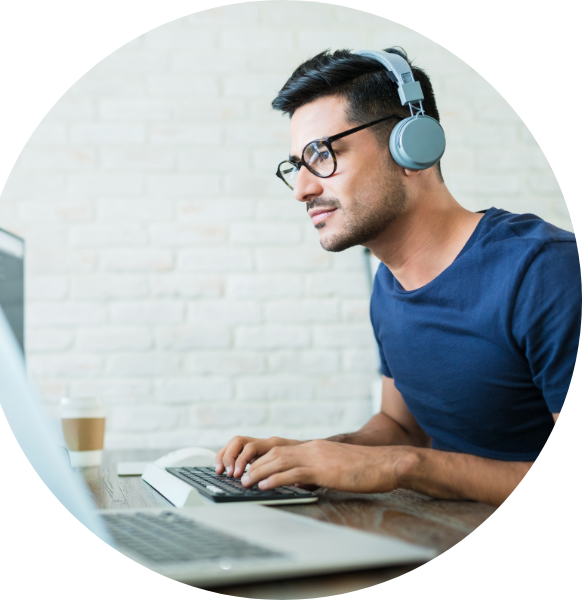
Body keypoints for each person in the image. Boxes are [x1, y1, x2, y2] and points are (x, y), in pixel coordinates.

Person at [215, 48, 580, 507]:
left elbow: (405, 452)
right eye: (297, 166)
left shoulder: (546, 271)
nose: (303, 189)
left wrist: (401, 466)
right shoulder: (387, 284)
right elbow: (401, 428)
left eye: (322, 155)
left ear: (413, 147)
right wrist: (311, 454)